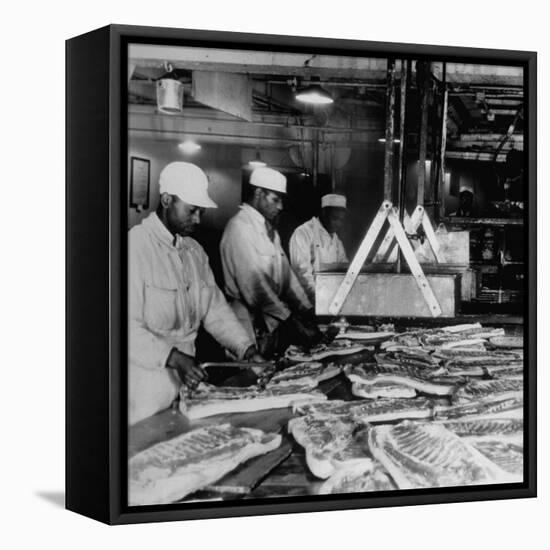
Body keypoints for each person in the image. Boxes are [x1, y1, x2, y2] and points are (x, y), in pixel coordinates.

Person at [128, 162, 264, 425]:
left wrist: (246, 349)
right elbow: (124, 330)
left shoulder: (194, 253)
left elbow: (215, 311)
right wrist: (174, 358)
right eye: (192, 211)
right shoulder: (135, 247)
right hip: (144, 389)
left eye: (200, 211)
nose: (198, 220)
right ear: (167, 200)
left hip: (186, 386)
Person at [220, 167, 321, 357]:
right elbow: (255, 288)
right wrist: (292, 321)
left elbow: (288, 277)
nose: (280, 206)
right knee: (251, 378)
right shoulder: (240, 228)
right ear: (258, 193)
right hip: (246, 326)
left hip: (270, 324)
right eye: (275, 199)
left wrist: (309, 310)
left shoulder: (269, 231)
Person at [289, 193, 348, 303]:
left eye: (341, 220)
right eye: (335, 218)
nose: (338, 224)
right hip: (308, 302)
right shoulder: (303, 233)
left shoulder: (337, 241)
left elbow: (343, 270)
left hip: (328, 302)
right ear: (323, 212)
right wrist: (318, 300)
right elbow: (302, 274)